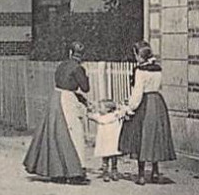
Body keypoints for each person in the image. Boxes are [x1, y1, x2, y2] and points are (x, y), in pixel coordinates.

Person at [22, 40, 90, 182]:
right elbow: (85, 88)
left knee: (54, 135)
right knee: (73, 134)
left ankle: (57, 171)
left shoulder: (61, 65)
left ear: (69, 52)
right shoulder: (78, 68)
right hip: (67, 100)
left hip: (55, 97)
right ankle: (74, 172)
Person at [120, 41, 176, 185]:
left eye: (136, 55)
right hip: (157, 102)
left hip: (144, 103)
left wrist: (129, 108)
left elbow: (138, 93)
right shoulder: (157, 69)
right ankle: (155, 171)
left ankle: (141, 175)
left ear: (140, 55)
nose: (135, 58)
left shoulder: (140, 71)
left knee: (141, 137)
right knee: (155, 137)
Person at [91, 100, 127, 181]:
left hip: (112, 141)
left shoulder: (113, 115)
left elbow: (122, 112)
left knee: (113, 157)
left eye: (100, 107)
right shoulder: (104, 116)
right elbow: (92, 116)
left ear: (108, 109)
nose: (99, 109)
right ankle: (106, 172)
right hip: (106, 141)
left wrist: (122, 106)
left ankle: (113, 171)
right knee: (106, 158)